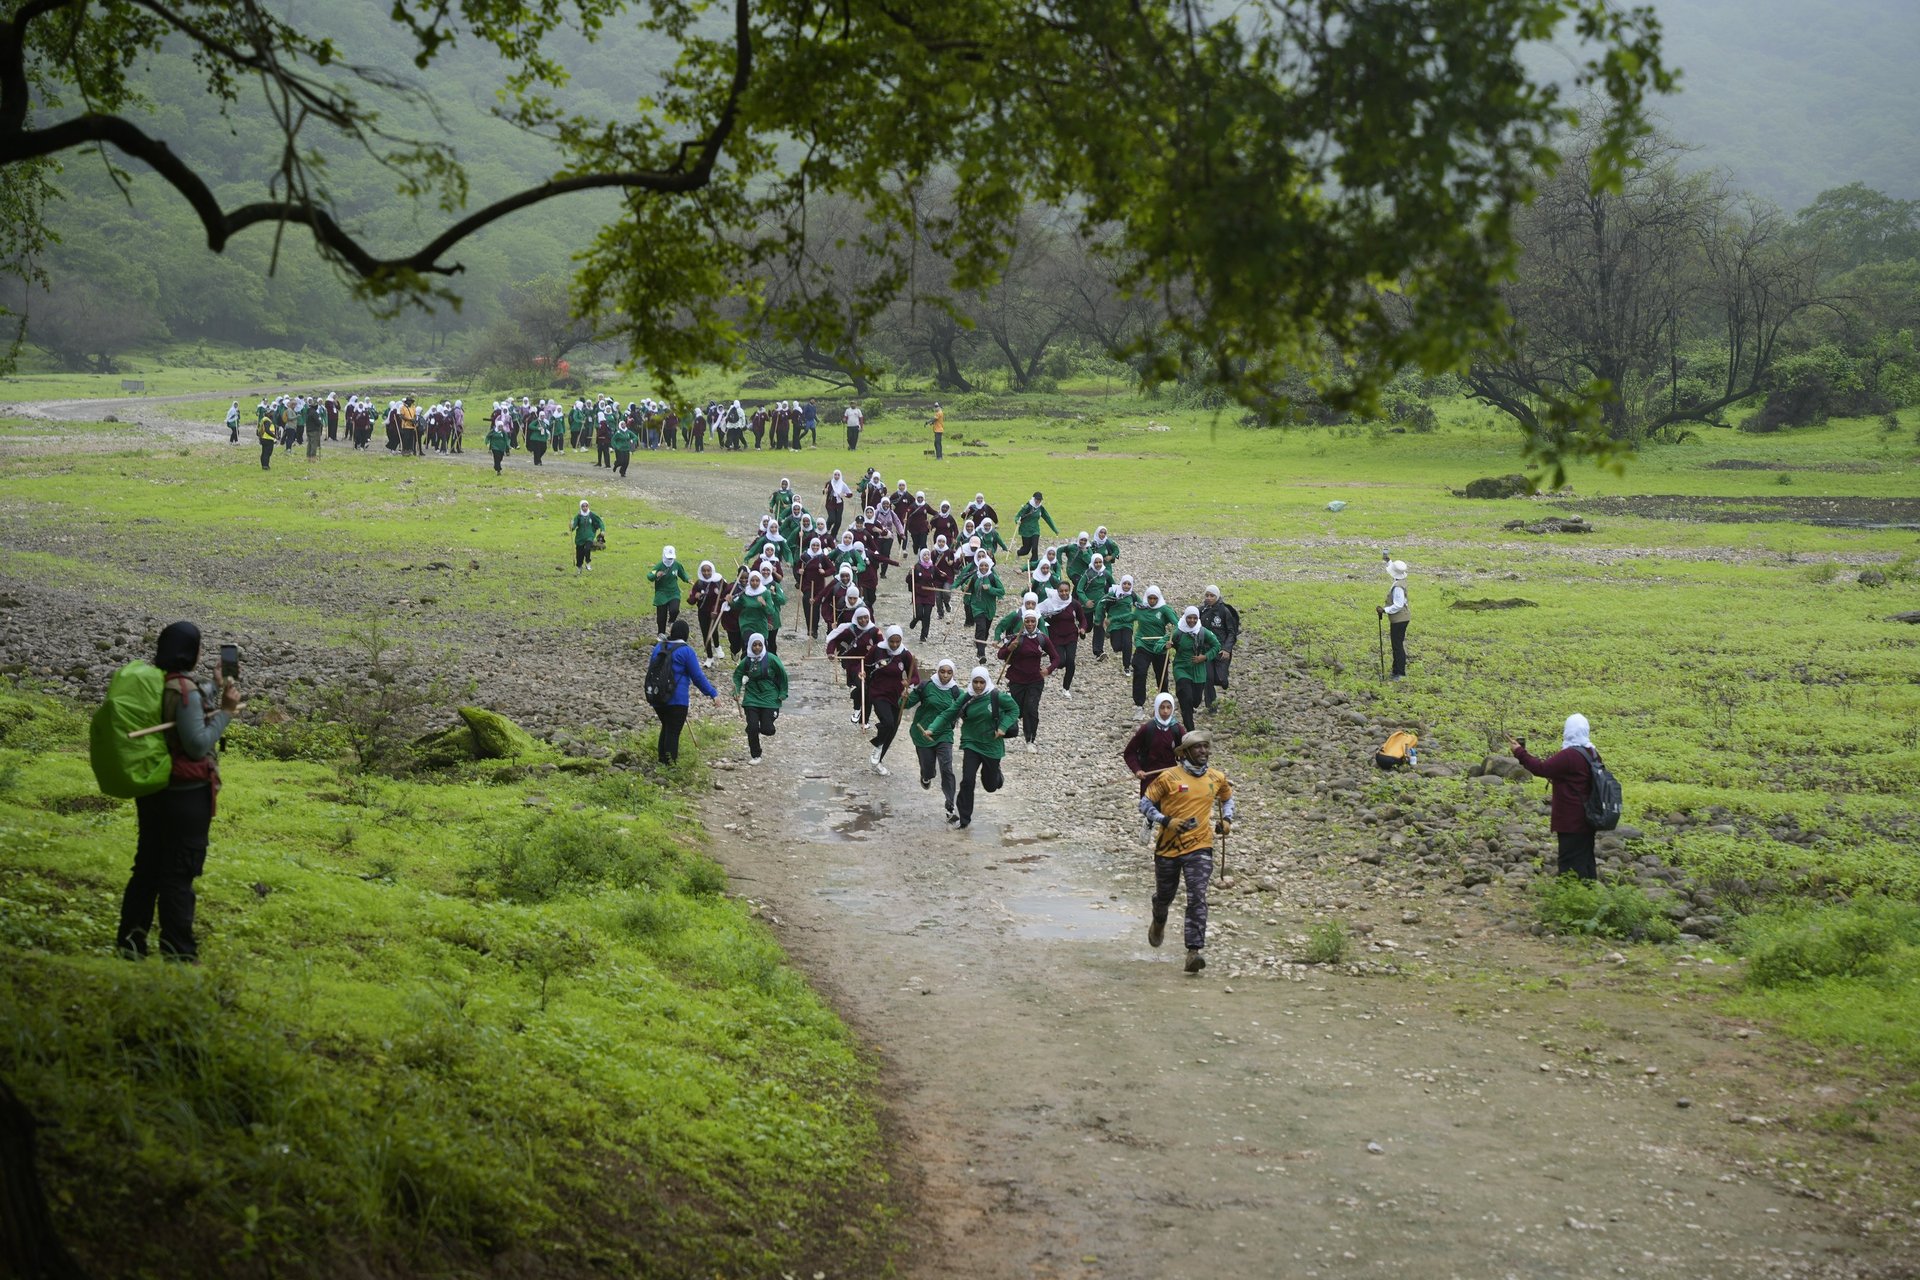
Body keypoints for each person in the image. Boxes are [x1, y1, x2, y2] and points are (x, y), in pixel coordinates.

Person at [115, 621, 239, 961]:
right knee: (178, 875)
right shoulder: (184, 689)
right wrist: (226, 712)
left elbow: (184, 717)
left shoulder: (158, 682)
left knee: (148, 869)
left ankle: (130, 945)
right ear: (192, 651)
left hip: (155, 789)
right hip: (184, 795)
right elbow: (197, 744)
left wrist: (213, 691)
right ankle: (179, 952)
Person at [1139, 731, 1235, 974]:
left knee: (1197, 896)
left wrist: (1227, 821)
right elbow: (1145, 803)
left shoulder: (1217, 777)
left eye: (1206, 747)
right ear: (1185, 752)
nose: (1203, 751)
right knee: (1165, 897)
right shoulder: (1168, 777)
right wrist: (1166, 820)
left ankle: (1193, 951)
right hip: (1168, 848)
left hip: (1200, 846)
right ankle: (1159, 919)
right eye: (1197, 748)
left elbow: (1227, 798)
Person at [924, 666, 1021, 830]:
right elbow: (949, 713)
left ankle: (997, 775)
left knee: (990, 786)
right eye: (975, 682)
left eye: (981, 682)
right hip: (971, 743)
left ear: (987, 681)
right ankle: (964, 819)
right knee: (967, 781)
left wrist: (1003, 726)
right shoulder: (966, 696)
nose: (978, 686)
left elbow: (1014, 710)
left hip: (992, 745)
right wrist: (932, 728)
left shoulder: (997, 696)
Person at [1511, 716, 1603, 881]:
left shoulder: (1569, 755)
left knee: (1569, 861)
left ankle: (1571, 900)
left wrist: (1520, 752)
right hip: (1589, 817)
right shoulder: (1592, 752)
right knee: (1586, 859)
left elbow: (1541, 768)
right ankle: (1589, 897)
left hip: (1571, 820)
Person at [649, 620, 718, 764]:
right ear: (686, 634)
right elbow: (697, 677)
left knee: (666, 726)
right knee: (673, 731)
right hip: (677, 699)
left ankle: (662, 761)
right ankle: (671, 765)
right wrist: (712, 693)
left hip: (658, 696)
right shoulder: (686, 651)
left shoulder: (658, 647)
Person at [905, 658, 965, 820]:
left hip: (944, 734)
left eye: (949, 672)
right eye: (942, 671)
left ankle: (950, 805)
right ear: (937, 671)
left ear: (953, 674)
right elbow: (905, 705)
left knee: (947, 768)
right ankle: (926, 776)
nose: (945, 675)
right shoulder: (926, 686)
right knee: (928, 769)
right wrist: (904, 696)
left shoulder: (956, 692)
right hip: (922, 732)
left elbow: (967, 711)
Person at [996, 610, 1059, 754]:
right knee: (1016, 710)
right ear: (1023, 622)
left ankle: (1030, 739)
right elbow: (1000, 655)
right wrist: (1009, 648)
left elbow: (1056, 657)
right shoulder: (1016, 638)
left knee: (1031, 709)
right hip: (1017, 680)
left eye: (1033, 621)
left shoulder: (1042, 638)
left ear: (1036, 622)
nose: (1030, 624)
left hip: (1035, 680)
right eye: (1027, 621)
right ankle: (1004, 729)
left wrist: (1048, 670)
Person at [731, 633, 790, 765]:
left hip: (770, 697)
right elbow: (738, 675)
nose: (757, 648)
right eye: (754, 645)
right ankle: (756, 754)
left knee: (767, 729)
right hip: (751, 697)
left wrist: (783, 693)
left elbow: (783, 676)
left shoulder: (771, 659)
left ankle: (767, 724)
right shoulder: (746, 661)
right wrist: (736, 690)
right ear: (750, 646)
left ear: (763, 645)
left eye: (759, 645)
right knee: (752, 727)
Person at [864, 626, 915, 776]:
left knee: (892, 730)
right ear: (887, 639)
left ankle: (878, 760)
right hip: (878, 693)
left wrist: (908, 682)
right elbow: (866, 664)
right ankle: (877, 745)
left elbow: (915, 676)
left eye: (897, 642)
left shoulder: (905, 655)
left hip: (897, 696)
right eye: (891, 641)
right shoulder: (877, 649)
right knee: (888, 722)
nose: (894, 645)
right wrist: (862, 674)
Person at [1168, 606, 1221, 731]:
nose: (1192, 621)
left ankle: (1187, 707)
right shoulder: (1178, 632)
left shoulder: (1202, 632)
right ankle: (1190, 729)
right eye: (1189, 618)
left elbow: (1216, 646)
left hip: (1198, 671)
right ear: (1184, 618)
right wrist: (1166, 645)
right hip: (1181, 668)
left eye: (1194, 618)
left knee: (1196, 701)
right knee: (1186, 698)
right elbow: (1162, 643)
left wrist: (1205, 657)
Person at [1129, 585, 1179, 715]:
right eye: (1150, 598)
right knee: (1139, 672)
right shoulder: (1141, 609)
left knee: (1162, 677)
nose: (1152, 601)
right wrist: (1112, 621)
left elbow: (1178, 625)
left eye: (1154, 598)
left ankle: (1164, 706)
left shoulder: (1164, 610)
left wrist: (1169, 640)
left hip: (1160, 647)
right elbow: (1128, 618)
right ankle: (1139, 705)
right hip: (1143, 646)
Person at [1124, 692, 1185, 793]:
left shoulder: (1177, 729)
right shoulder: (1147, 729)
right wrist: (1137, 770)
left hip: (1171, 775)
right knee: (1149, 806)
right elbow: (1129, 752)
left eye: (1168, 707)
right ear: (1157, 708)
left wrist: (1185, 765)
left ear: (1172, 708)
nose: (1165, 711)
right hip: (1150, 777)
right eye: (1162, 707)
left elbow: (1187, 751)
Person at [1197, 586, 1240, 711]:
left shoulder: (1224, 611)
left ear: (1217, 596)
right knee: (1207, 678)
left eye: (1212, 596)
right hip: (1206, 650)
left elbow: (1232, 632)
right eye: (1207, 595)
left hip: (1221, 650)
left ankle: (1223, 680)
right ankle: (1212, 707)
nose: (1209, 598)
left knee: (1220, 678)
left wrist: (1227, 649)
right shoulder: (1201, 611)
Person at [646, 545, 692, 634]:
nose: (670, 560)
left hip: (673, 592)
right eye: (668, 558)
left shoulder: (677, 565)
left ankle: (671, 622)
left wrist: (688, 579)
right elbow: (649, 576)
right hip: (661, 594)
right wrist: (656, 575)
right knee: (661, 617)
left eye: (671, 558)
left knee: (674, 610)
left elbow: (683, 574)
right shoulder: (659, 565)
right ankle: (661, 634)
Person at [1379, 558, 1411, 681]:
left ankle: (1400, 673)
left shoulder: (1398, 587)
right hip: (1402, 618)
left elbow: (1398, 605)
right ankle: (1396, 670)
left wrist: (1384, 610)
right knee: (1397, 645)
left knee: (1397, 646)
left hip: (1399, 619)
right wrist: (1388, 561)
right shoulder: (1400, 580)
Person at [1014, 491, 1059, 567]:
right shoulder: (1027, 507)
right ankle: (1019, 552)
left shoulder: (1040, 508)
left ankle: (1033, 566)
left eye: (1040, 500)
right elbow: (1018, 516)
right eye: (1037, 499)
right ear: (1033, 499)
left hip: (1035, 530)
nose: (1038, 501)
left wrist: (1055, 529)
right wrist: (1017, 520)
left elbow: (1047, 518)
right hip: (1025, 530)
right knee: (1026, 550)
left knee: (1035, 548)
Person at [571, 500, 605, 574]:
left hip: (590, 536)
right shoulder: (578, 516)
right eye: (583, 506)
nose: (585, 508)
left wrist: (602, 530)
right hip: (580, 538)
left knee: (587, 548)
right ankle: (579, 567)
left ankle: (588, 562)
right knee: (579, 554)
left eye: (586, 506)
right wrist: (571, 527)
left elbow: (600, 522)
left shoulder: (592, 515)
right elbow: (573, 526)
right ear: (581, 507)